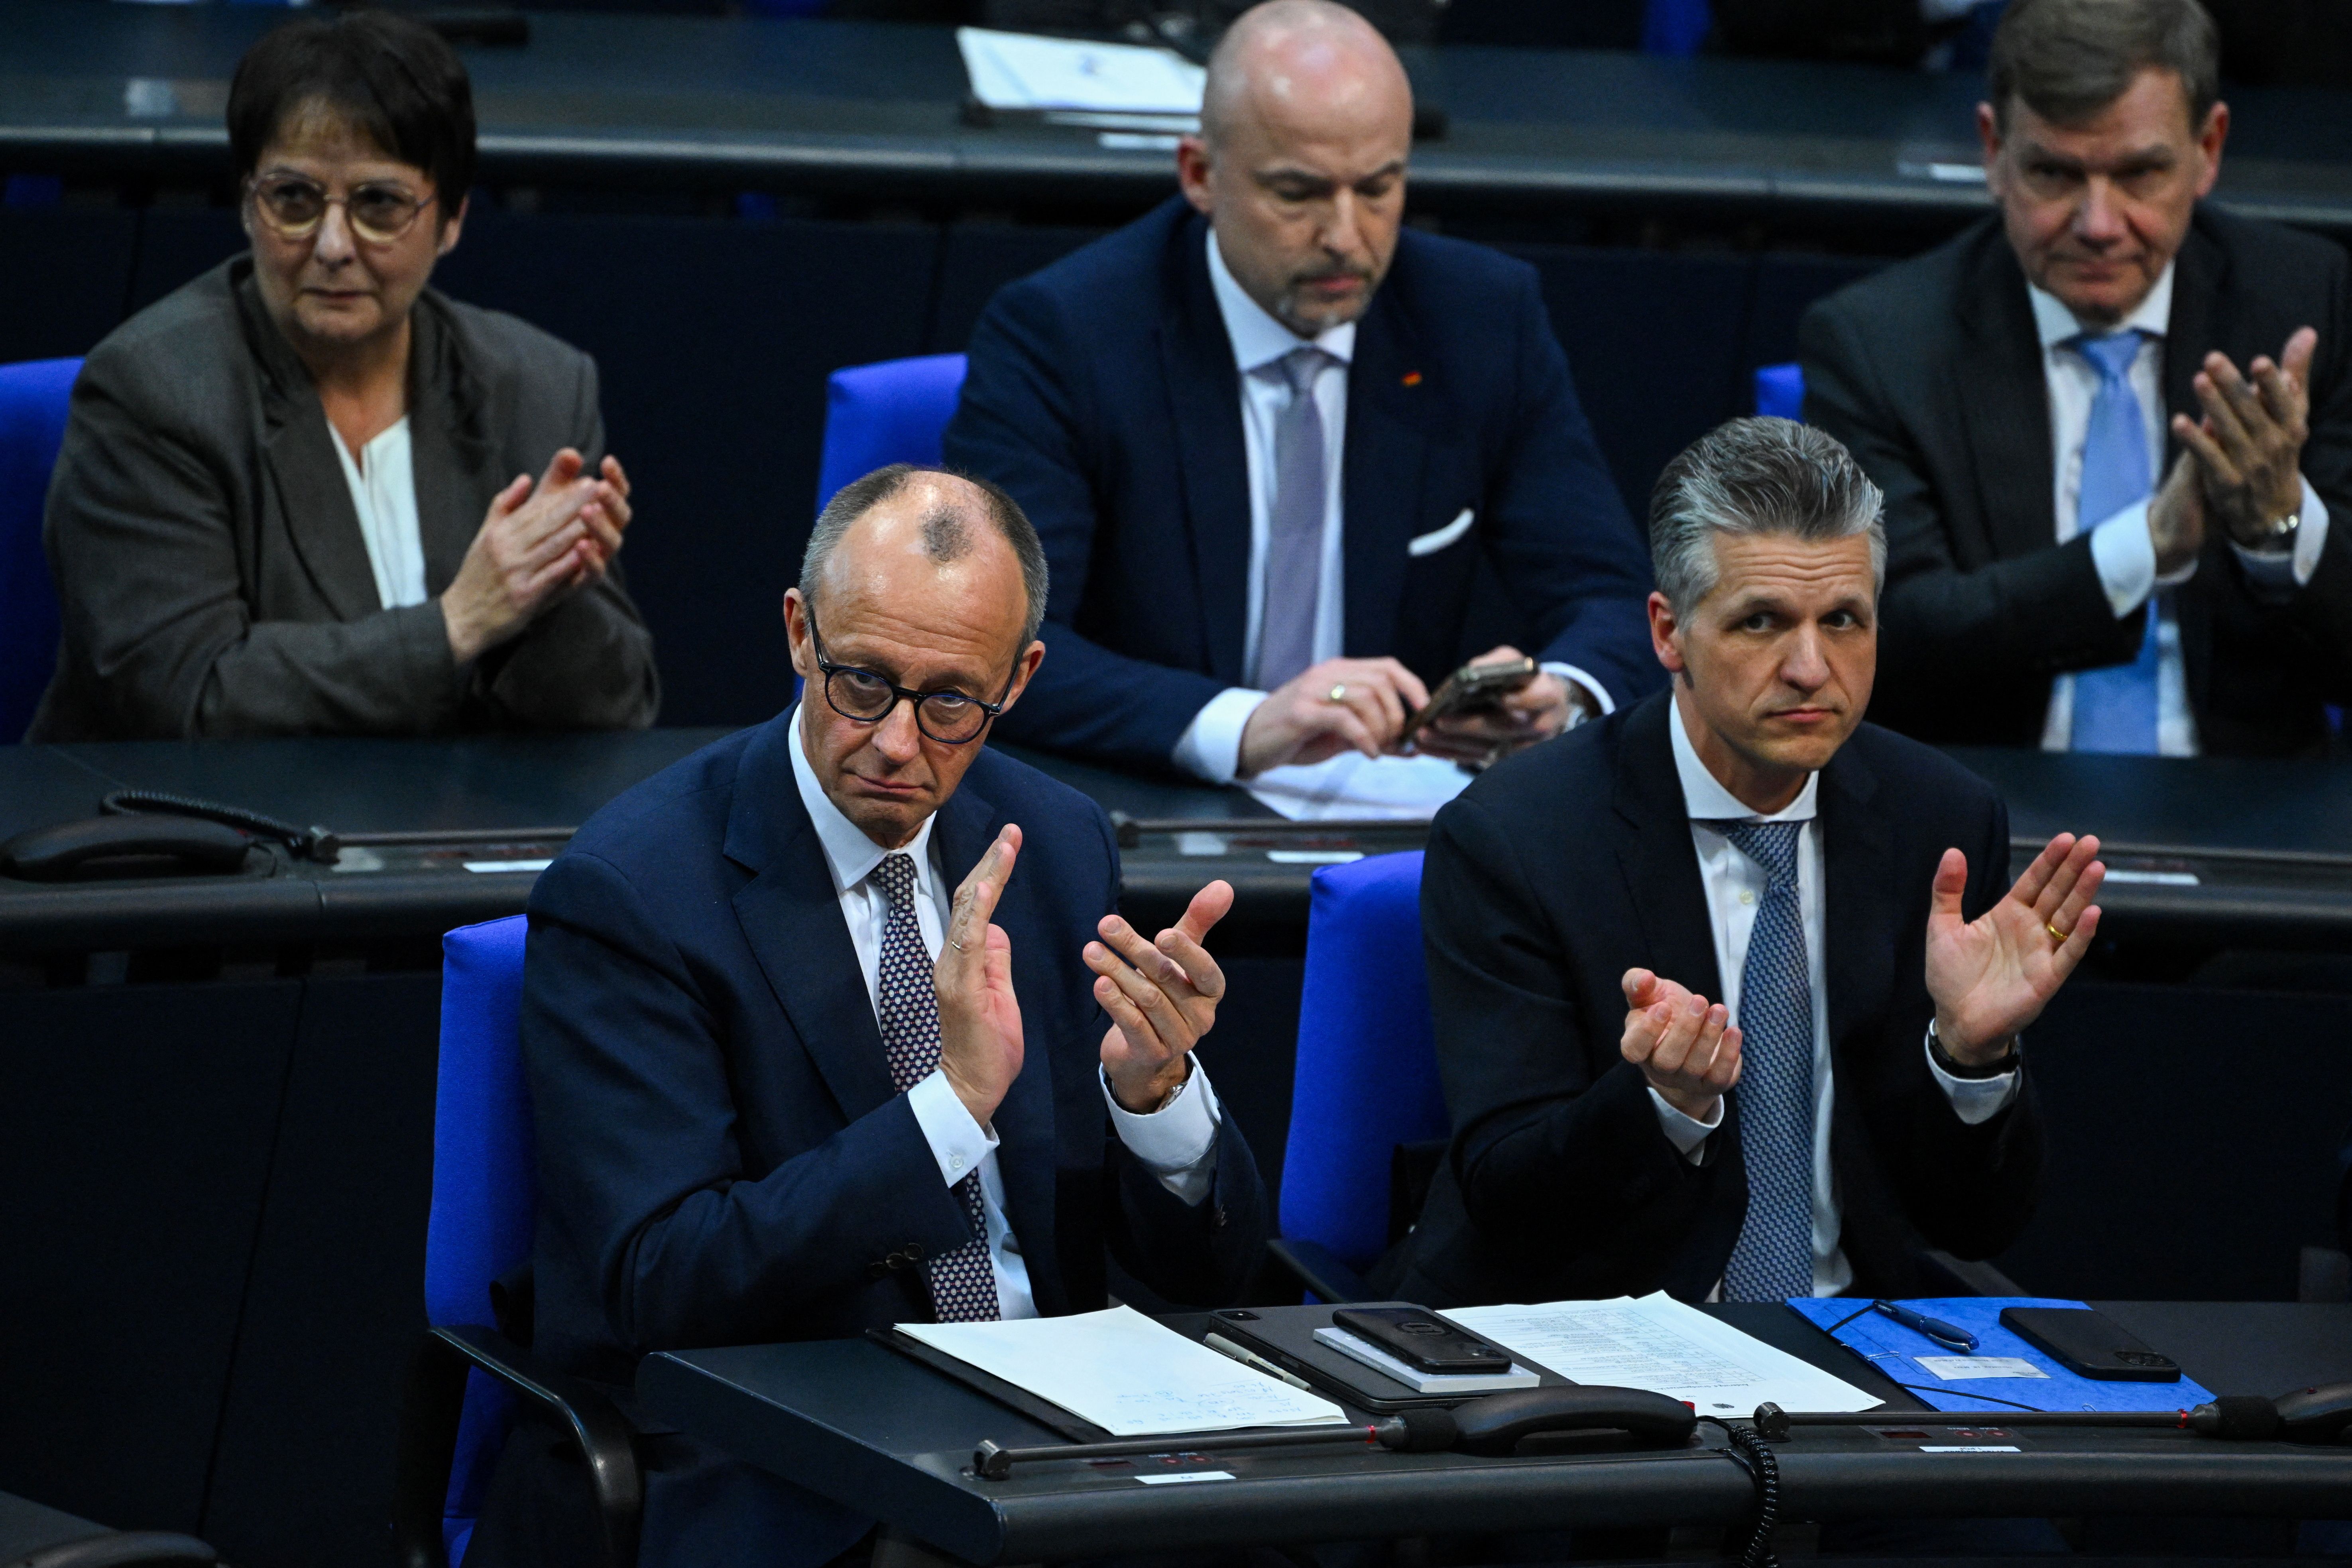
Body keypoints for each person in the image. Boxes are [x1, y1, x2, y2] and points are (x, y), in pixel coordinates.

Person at [469, 466, 1268, 1568]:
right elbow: (662, 1277)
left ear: (1019, 679)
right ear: (800, 633)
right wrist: (950, 1108)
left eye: (950, 702)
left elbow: (1204, 1275)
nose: (897, 743)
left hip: (1050, 1443)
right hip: (777, 1462)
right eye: (861, 683)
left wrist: (1154, 1099)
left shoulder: (1054, 839)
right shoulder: (636, 889)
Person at [1386, 417, 2105, 1308]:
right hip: (1592, 1337)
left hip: (1853, 1340)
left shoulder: (1942, 820)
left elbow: (1975, 1227)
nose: (1811, 667)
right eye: (1761, 621)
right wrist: (1662, 1103)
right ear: (1668, 631)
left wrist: (1970, 1055)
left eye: (1843, 619)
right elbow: (1510, 1204)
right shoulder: (1516, 838)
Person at [942, 0, 1656, 788]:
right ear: (1200, 175)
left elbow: (1615, 597)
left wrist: (1561, 695)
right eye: (1298, 194)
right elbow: (999, 644)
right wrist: (1249, 723)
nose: (1346, 236)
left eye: (1378, 188)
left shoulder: (1482, 321)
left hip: (1395, 826)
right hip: (1151, 814)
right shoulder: (1066, 333)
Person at [30, 11, 658, 742]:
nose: (332, 245)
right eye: (293, 200)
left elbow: (616, 712)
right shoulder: (154, 390)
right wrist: (459, 622)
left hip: (448, 830)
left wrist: (556, 593)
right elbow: (191, 696)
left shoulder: (537, 384)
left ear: (451, 218)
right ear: (246, 202)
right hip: (210, 835)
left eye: (379, 205)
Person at [1800, 0, 2352, 757]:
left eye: (2140, 173)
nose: (2098, 223)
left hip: (2250, 809)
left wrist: (2280, 528)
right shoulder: (1878, 341)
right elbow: (1888, 638)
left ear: (2209, 149)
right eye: (2056, 173)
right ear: (1994, 150)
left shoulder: (2303, 304)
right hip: (1992, 811)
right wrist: (2147, 546)